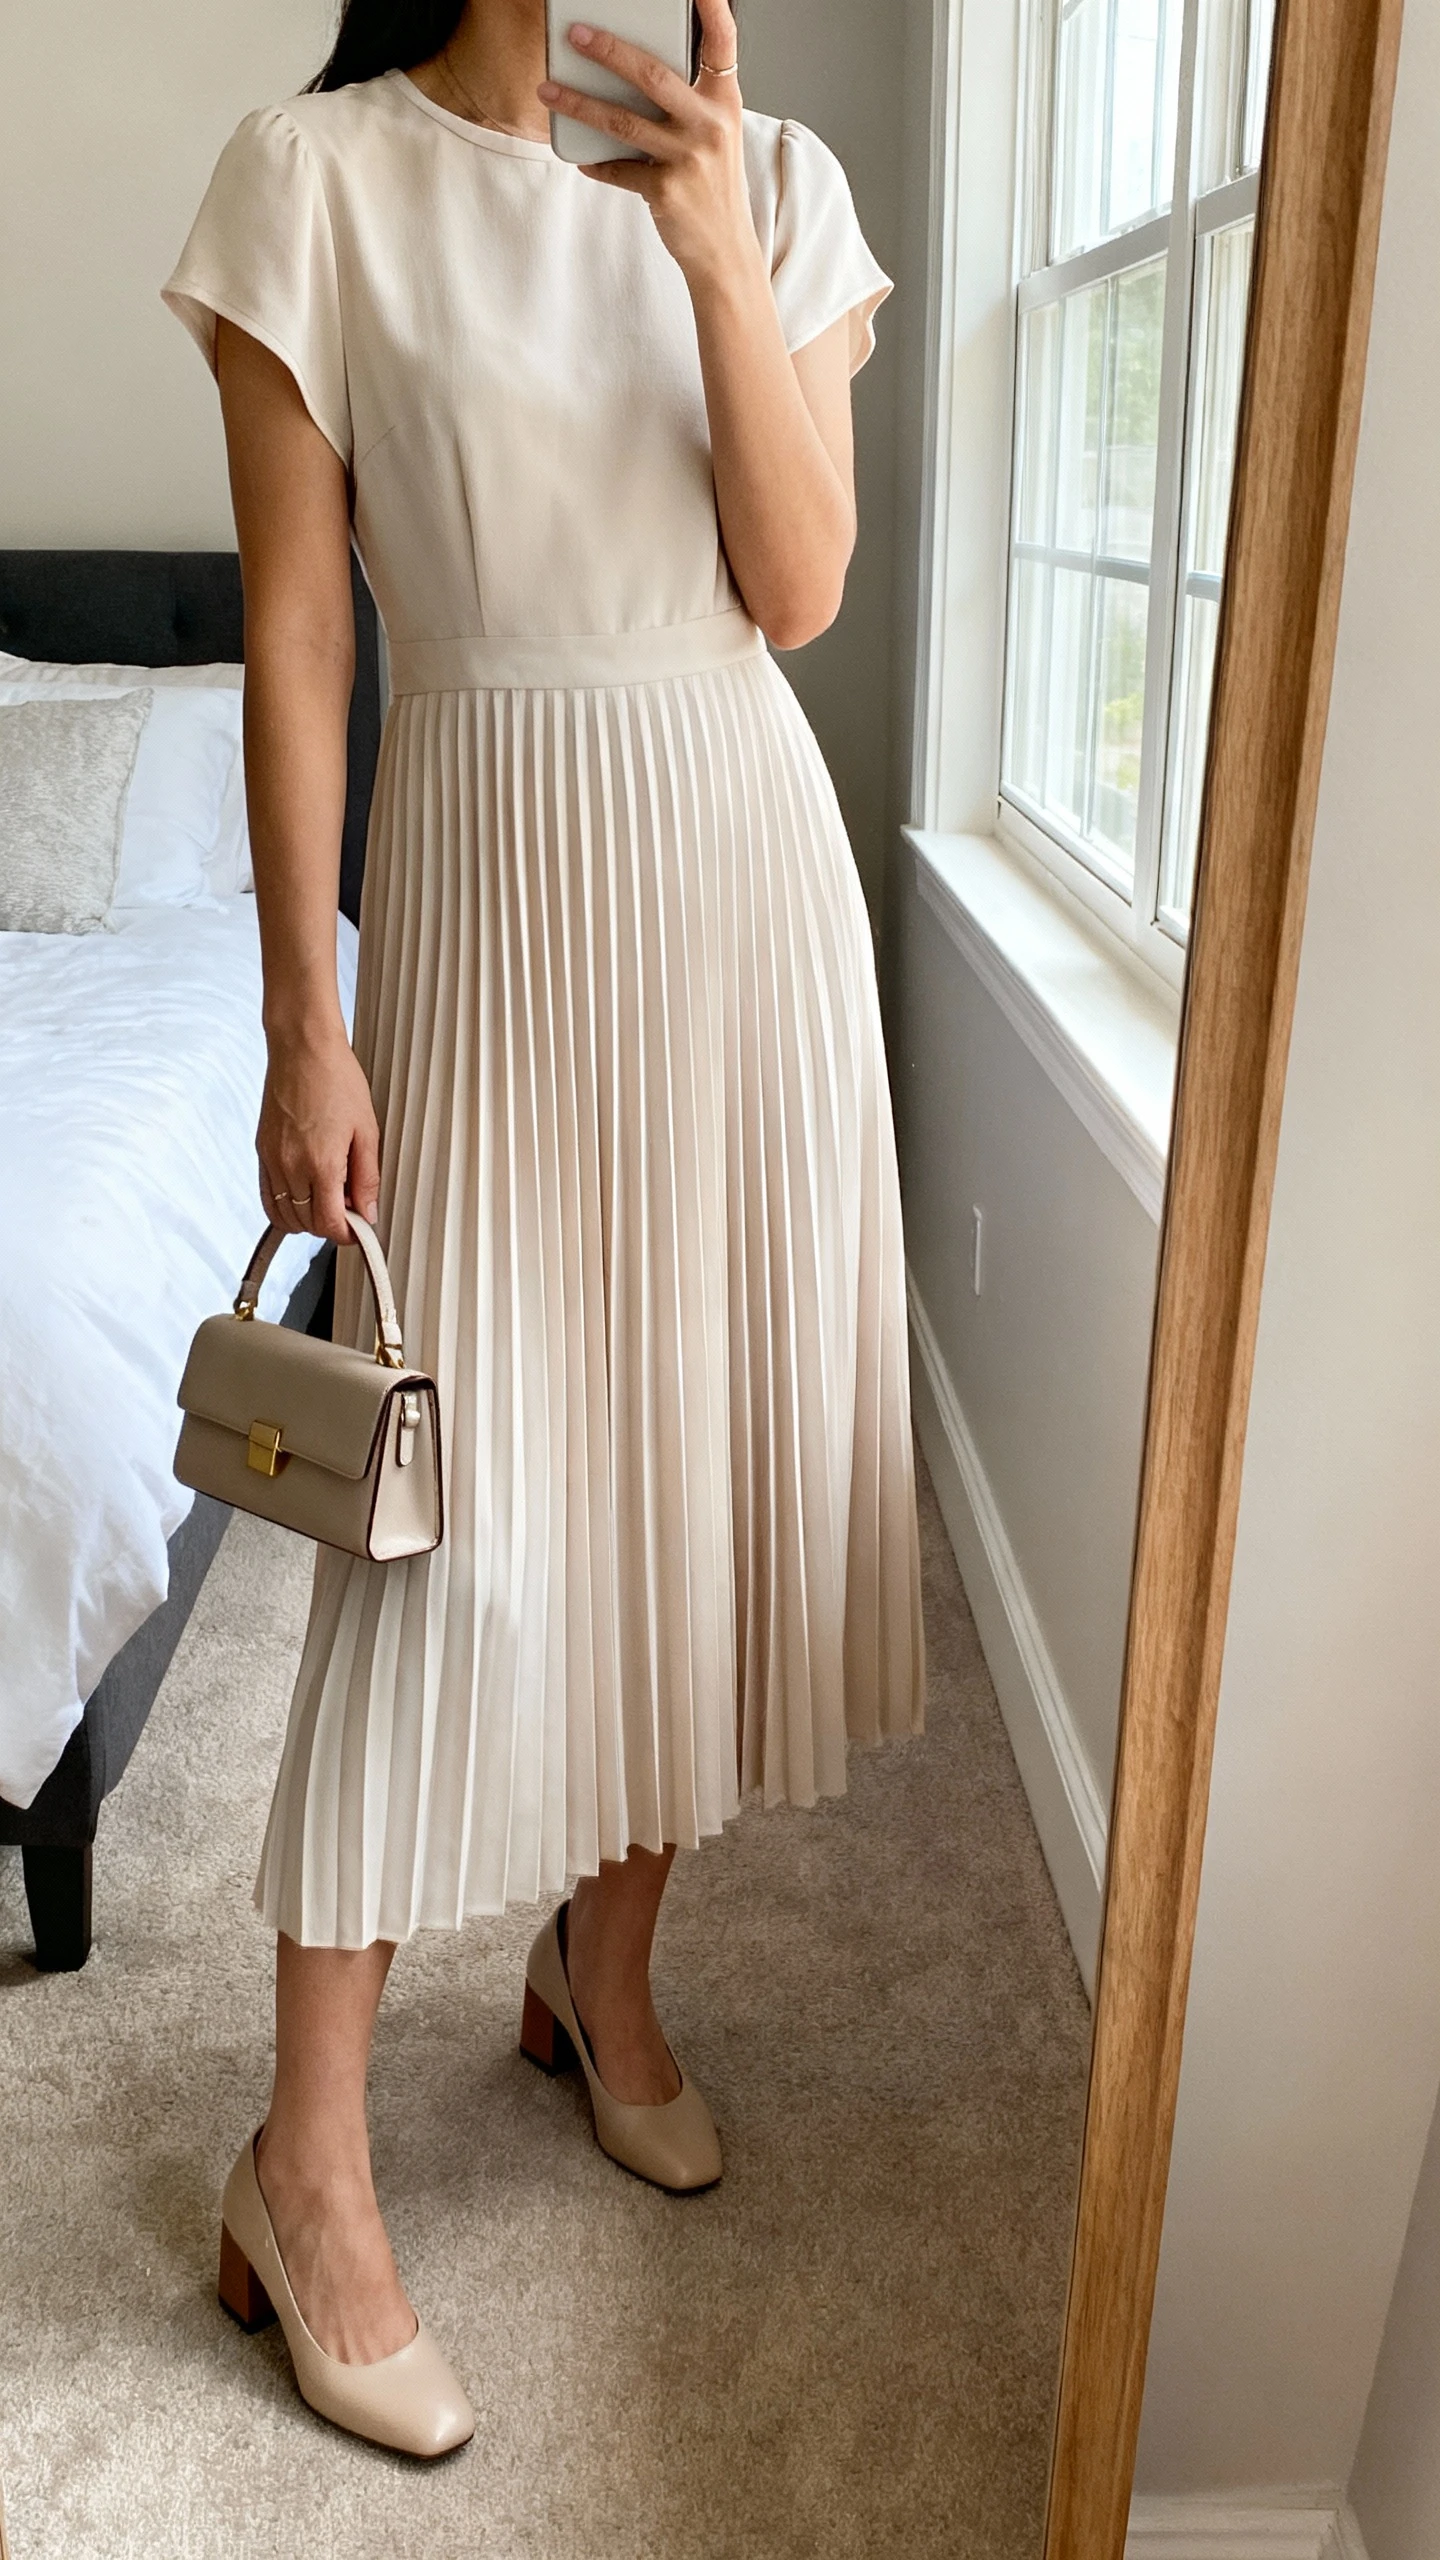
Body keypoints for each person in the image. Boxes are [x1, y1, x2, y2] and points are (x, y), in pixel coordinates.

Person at [163, 0, 925, 2458]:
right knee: (450, 1538)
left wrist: (709, 241)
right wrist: (308, 1018)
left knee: (696, 1472)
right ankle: (308, 2167)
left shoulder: (773, 173)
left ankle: (604, 1967)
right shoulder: (321, 178)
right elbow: (301, 627)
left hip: (739, 875)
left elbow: (797, 586)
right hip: (489, 876)